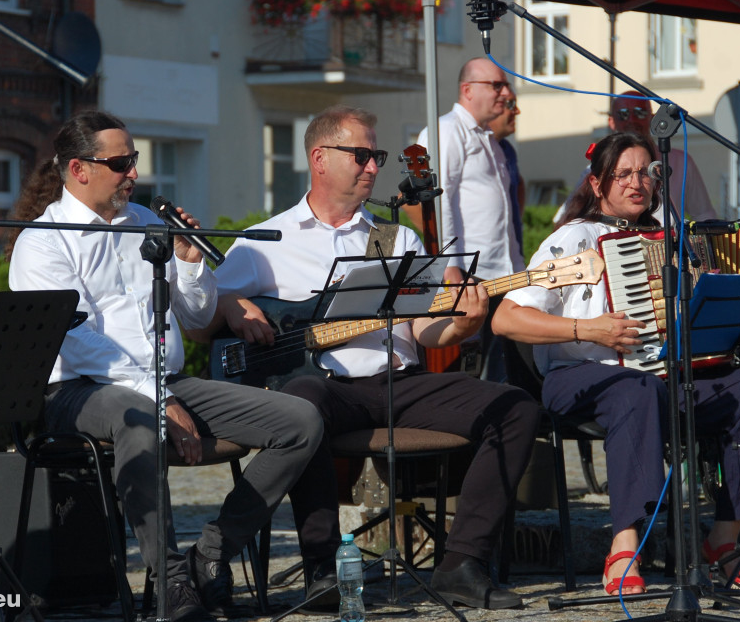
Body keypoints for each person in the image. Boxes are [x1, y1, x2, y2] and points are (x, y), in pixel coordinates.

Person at [206, 105, 541, 610]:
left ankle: (462, 562)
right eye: (361, 155)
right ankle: (323, 569)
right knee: (300, 404)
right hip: (326, 389)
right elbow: (204, 315)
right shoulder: (265, 244)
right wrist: (233, 304)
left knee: (515, 408)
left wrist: (466, 323)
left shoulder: (395, 238)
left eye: (376, 156)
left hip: (399, 382)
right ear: (320, 158)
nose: (372, 167)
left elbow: (427, 329)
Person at [7, 111, 323, 622]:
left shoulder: (146, 226)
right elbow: (76, 343)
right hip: (78, 391)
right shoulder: (43, 242)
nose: (133, 172)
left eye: (134, 160)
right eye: (120, 162)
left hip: (165, 381)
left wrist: (192, 261)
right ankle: (170, 580)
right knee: (135, 417)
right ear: (78, 169)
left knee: (300, 422)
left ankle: (212, 554)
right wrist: (162, 401)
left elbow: (196, 316)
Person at [492, 132, 740, 595]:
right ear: (597, 184)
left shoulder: (677, 237)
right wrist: (587, 329)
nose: (637, 183)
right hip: (577, 376)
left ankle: (723, 537)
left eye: (647, 172)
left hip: (665, 378)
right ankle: (624, 545)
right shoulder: (574, 237)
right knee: (634, 390)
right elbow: (506, 318)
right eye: (623, 174)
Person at [411, 57, 525, 381]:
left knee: (503, 373)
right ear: (468, 90)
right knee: (478, 374)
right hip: (470, 277)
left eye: (505, 84)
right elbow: (438, 205)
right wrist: (450, 272)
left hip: (501, 274)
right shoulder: (447, 130)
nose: (506, 92)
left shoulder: (490, 139)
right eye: (496, 85)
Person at [554, 91, 717, 227]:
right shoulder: (596, 167)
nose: (632, 120)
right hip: (618, 248)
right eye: (623, 114)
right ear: (611, 121)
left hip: (669, 251)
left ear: (652, 118)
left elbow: (704, 214)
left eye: (640, 112)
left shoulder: (681, 161)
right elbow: (565, 218)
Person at [490, 93, 526, 250]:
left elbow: (519, 184)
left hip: (510, 258)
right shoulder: (466, 146)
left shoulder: (507, 149)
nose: (517, 111)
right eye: (510, 105)